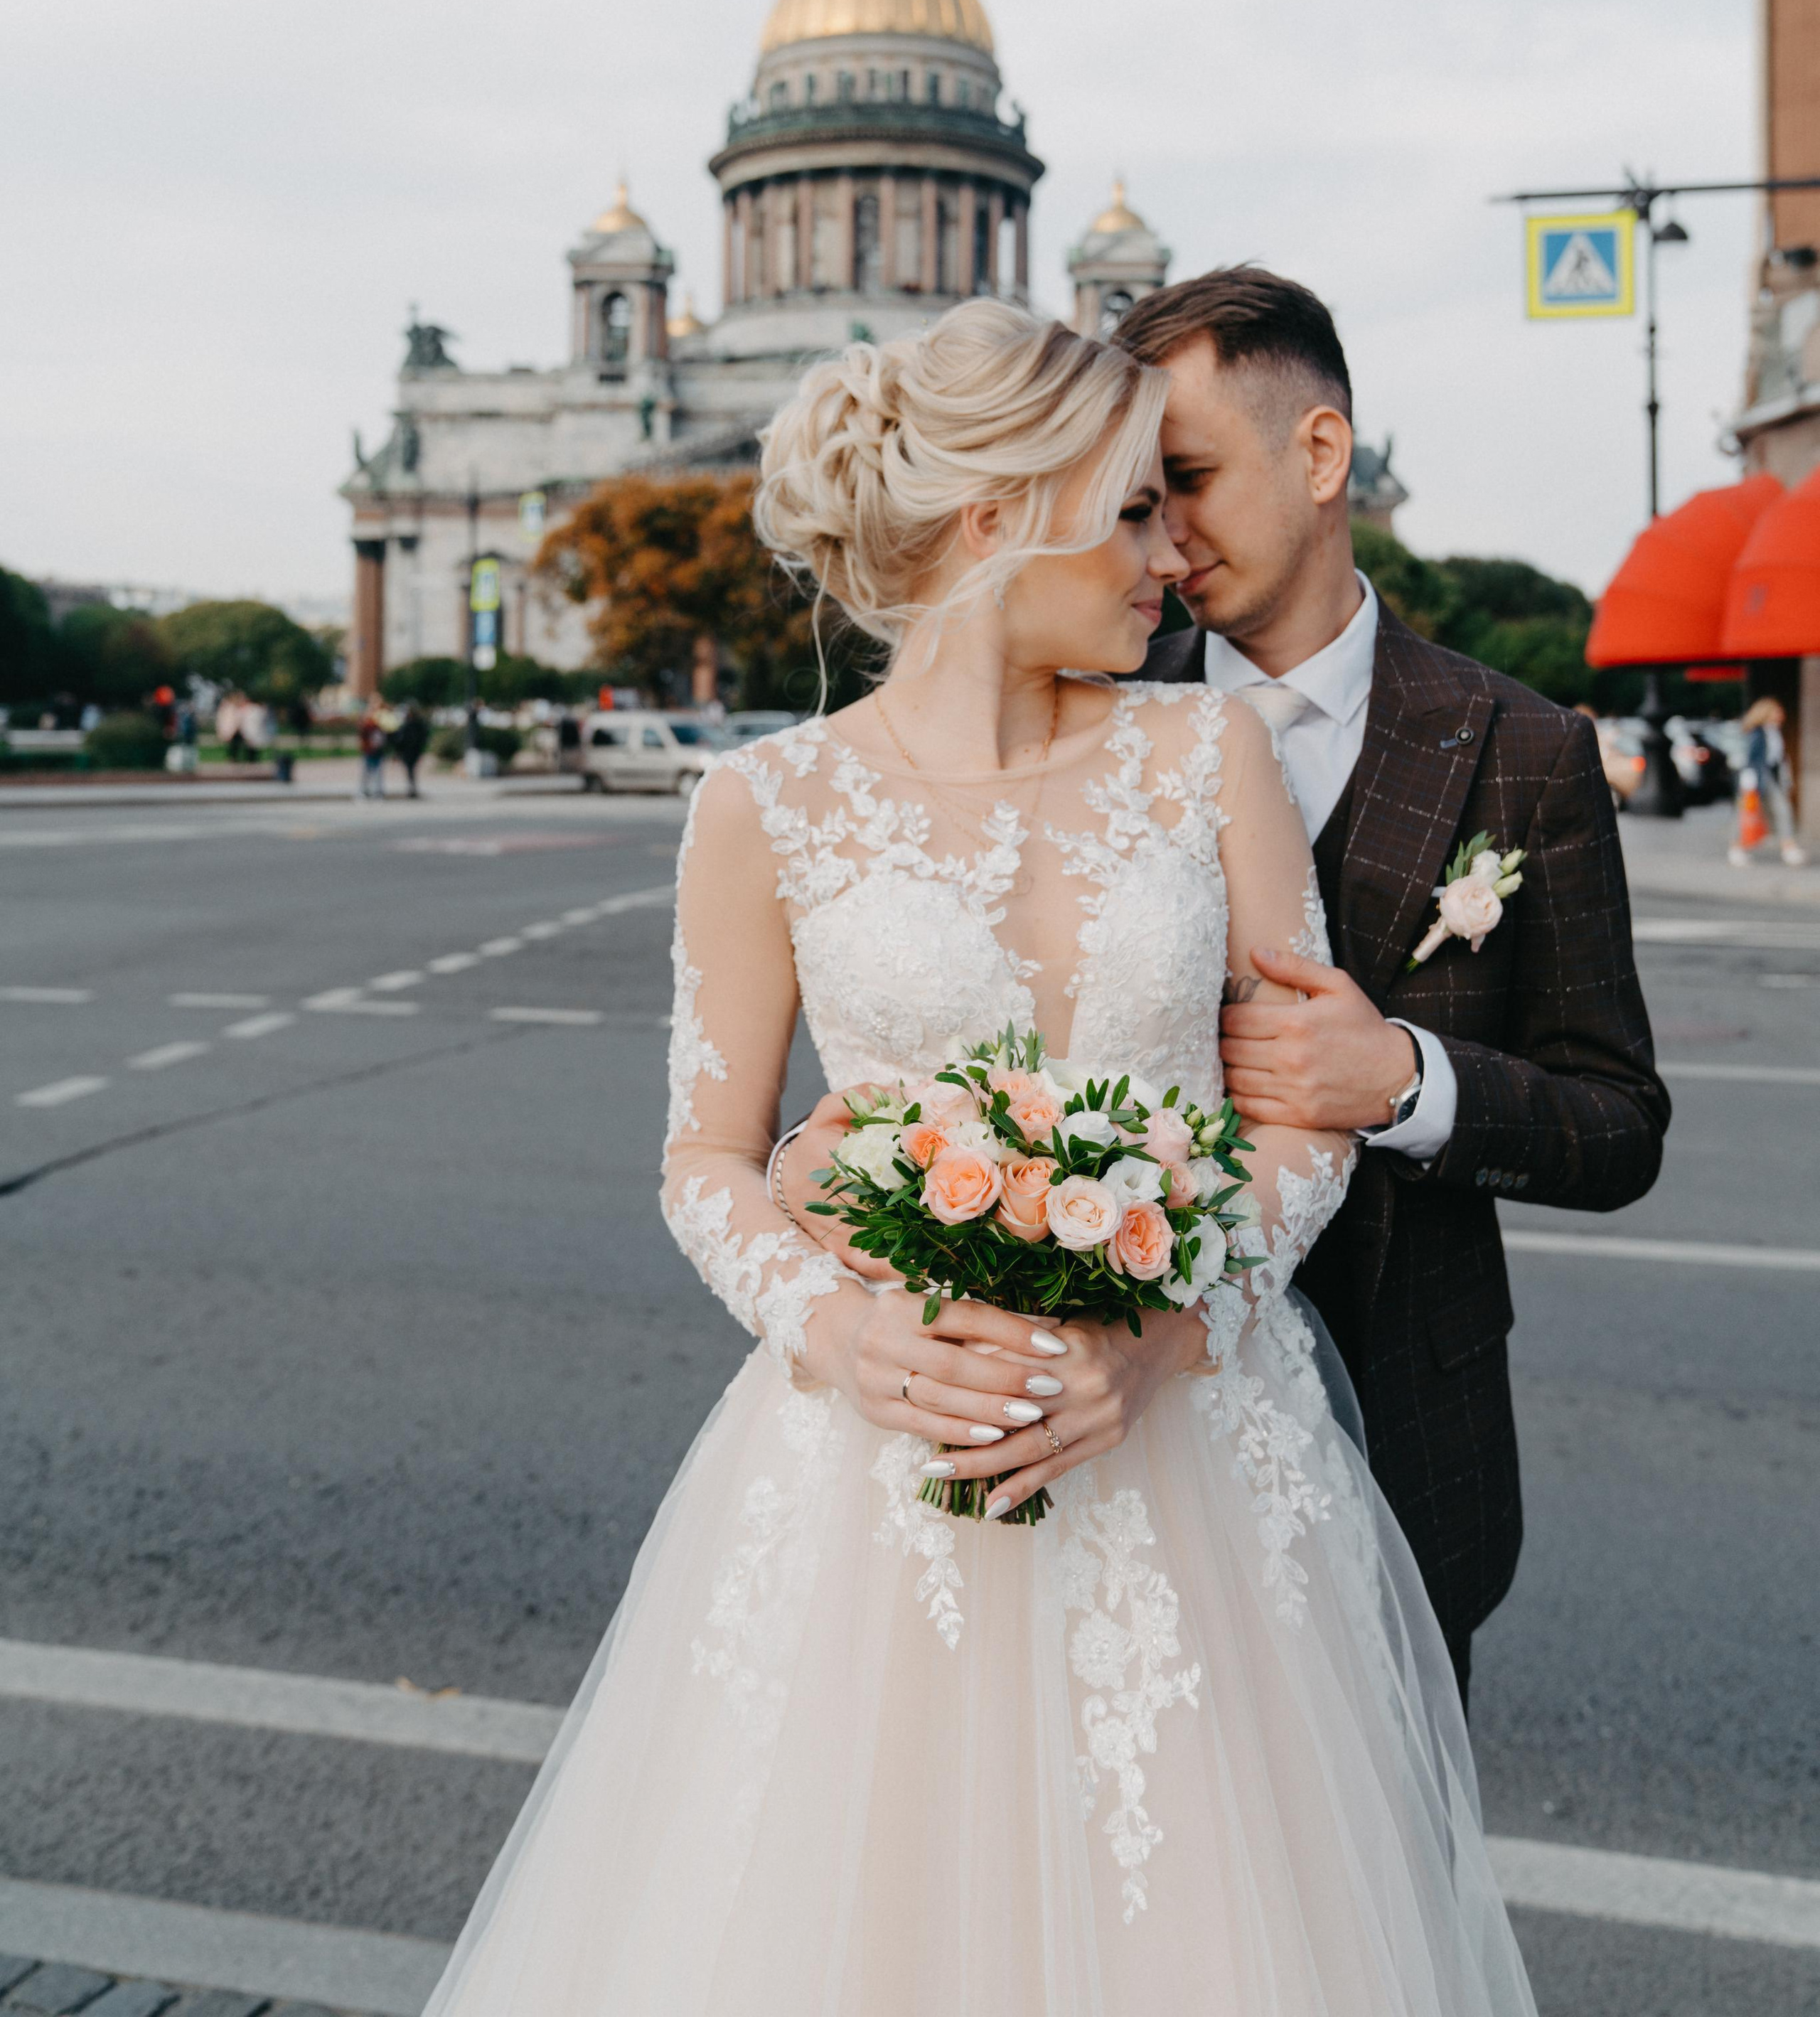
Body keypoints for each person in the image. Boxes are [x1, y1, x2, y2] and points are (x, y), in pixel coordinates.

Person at [422, 302, 1535, 2017]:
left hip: (1197, 1462)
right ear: (994, 519)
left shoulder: (1203, 756)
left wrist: (1157, 1339)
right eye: (1133, 508)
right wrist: (853, 1336)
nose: (1175, 554)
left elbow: (1293, 1116)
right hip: (879, 1470)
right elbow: (705, 1163)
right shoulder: (762, 805)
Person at [1112, 269, 1667, 1702]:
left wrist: (1408, 1085)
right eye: (1135, 493)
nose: (1159, 538)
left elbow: (1618, 1121)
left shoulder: (1521, 746)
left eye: (1187, 479)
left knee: (1390, 1903)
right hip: (1131, 1440)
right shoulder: (1100, 716)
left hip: (1405, 1442)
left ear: (1316, 453)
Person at [1730, 695, 1806, 867]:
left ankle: (1788, 847)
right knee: (1745, 813)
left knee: (1781, 809)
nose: (1781, 715)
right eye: (1777, 711)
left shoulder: (1772, 731)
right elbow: (1750, 758)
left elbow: (1777, 759)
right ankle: (1736, 848)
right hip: (1755, 778)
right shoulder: (1757, 733)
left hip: (1768, 777)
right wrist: (1749, 782)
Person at [392, 701, 429, 799]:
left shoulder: (409, 725)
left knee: (410, 770)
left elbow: (400, 739)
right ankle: (412, 788)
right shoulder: (417, 724)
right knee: (411, 770)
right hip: (412, 750)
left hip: (410, 751)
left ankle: (412, 788)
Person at [357, 707, 387, 801]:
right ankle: (369, 791)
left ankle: (374, 791)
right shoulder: (368, 728)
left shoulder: (375, 728)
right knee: (369, 773)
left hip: (374, 752)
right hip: (371, 752)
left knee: (373, 773)